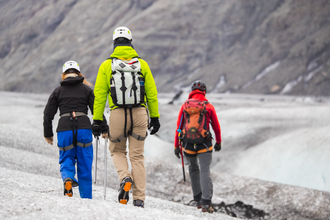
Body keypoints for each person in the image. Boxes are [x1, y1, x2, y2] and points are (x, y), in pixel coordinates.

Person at [92, 26, 160, 208]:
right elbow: (152, 94)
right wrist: (155, 117)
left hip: (118, 114)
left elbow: (99, 95)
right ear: (131, 43)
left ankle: (125, 177)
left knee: (117, 151)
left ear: (114, 43)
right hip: (139, 113)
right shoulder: (142, 65)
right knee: (137, 157)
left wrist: (97, 120)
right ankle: (139, 199)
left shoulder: (107, 65)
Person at [43, 60, 108, 199]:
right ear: (78, 73)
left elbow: (48, 114)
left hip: (64, 129)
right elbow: (97, 110)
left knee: (66, 158)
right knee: (84, 165)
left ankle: (67, 178)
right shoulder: (86, 89)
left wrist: (47, 133)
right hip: (84, 128)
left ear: (63, 74)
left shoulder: (57, 91)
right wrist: (104, 128)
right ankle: (86, 199)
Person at [174, 80, 221, 213]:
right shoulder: (209, 106)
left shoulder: (184, 106)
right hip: (204, 144)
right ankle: (206, 203)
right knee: (205, 170)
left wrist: (176, 146)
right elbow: (216, 127)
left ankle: (198, 200)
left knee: (193, 169)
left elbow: (178, 128)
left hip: (188, 144)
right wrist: (218, 142)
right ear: (204, 91)